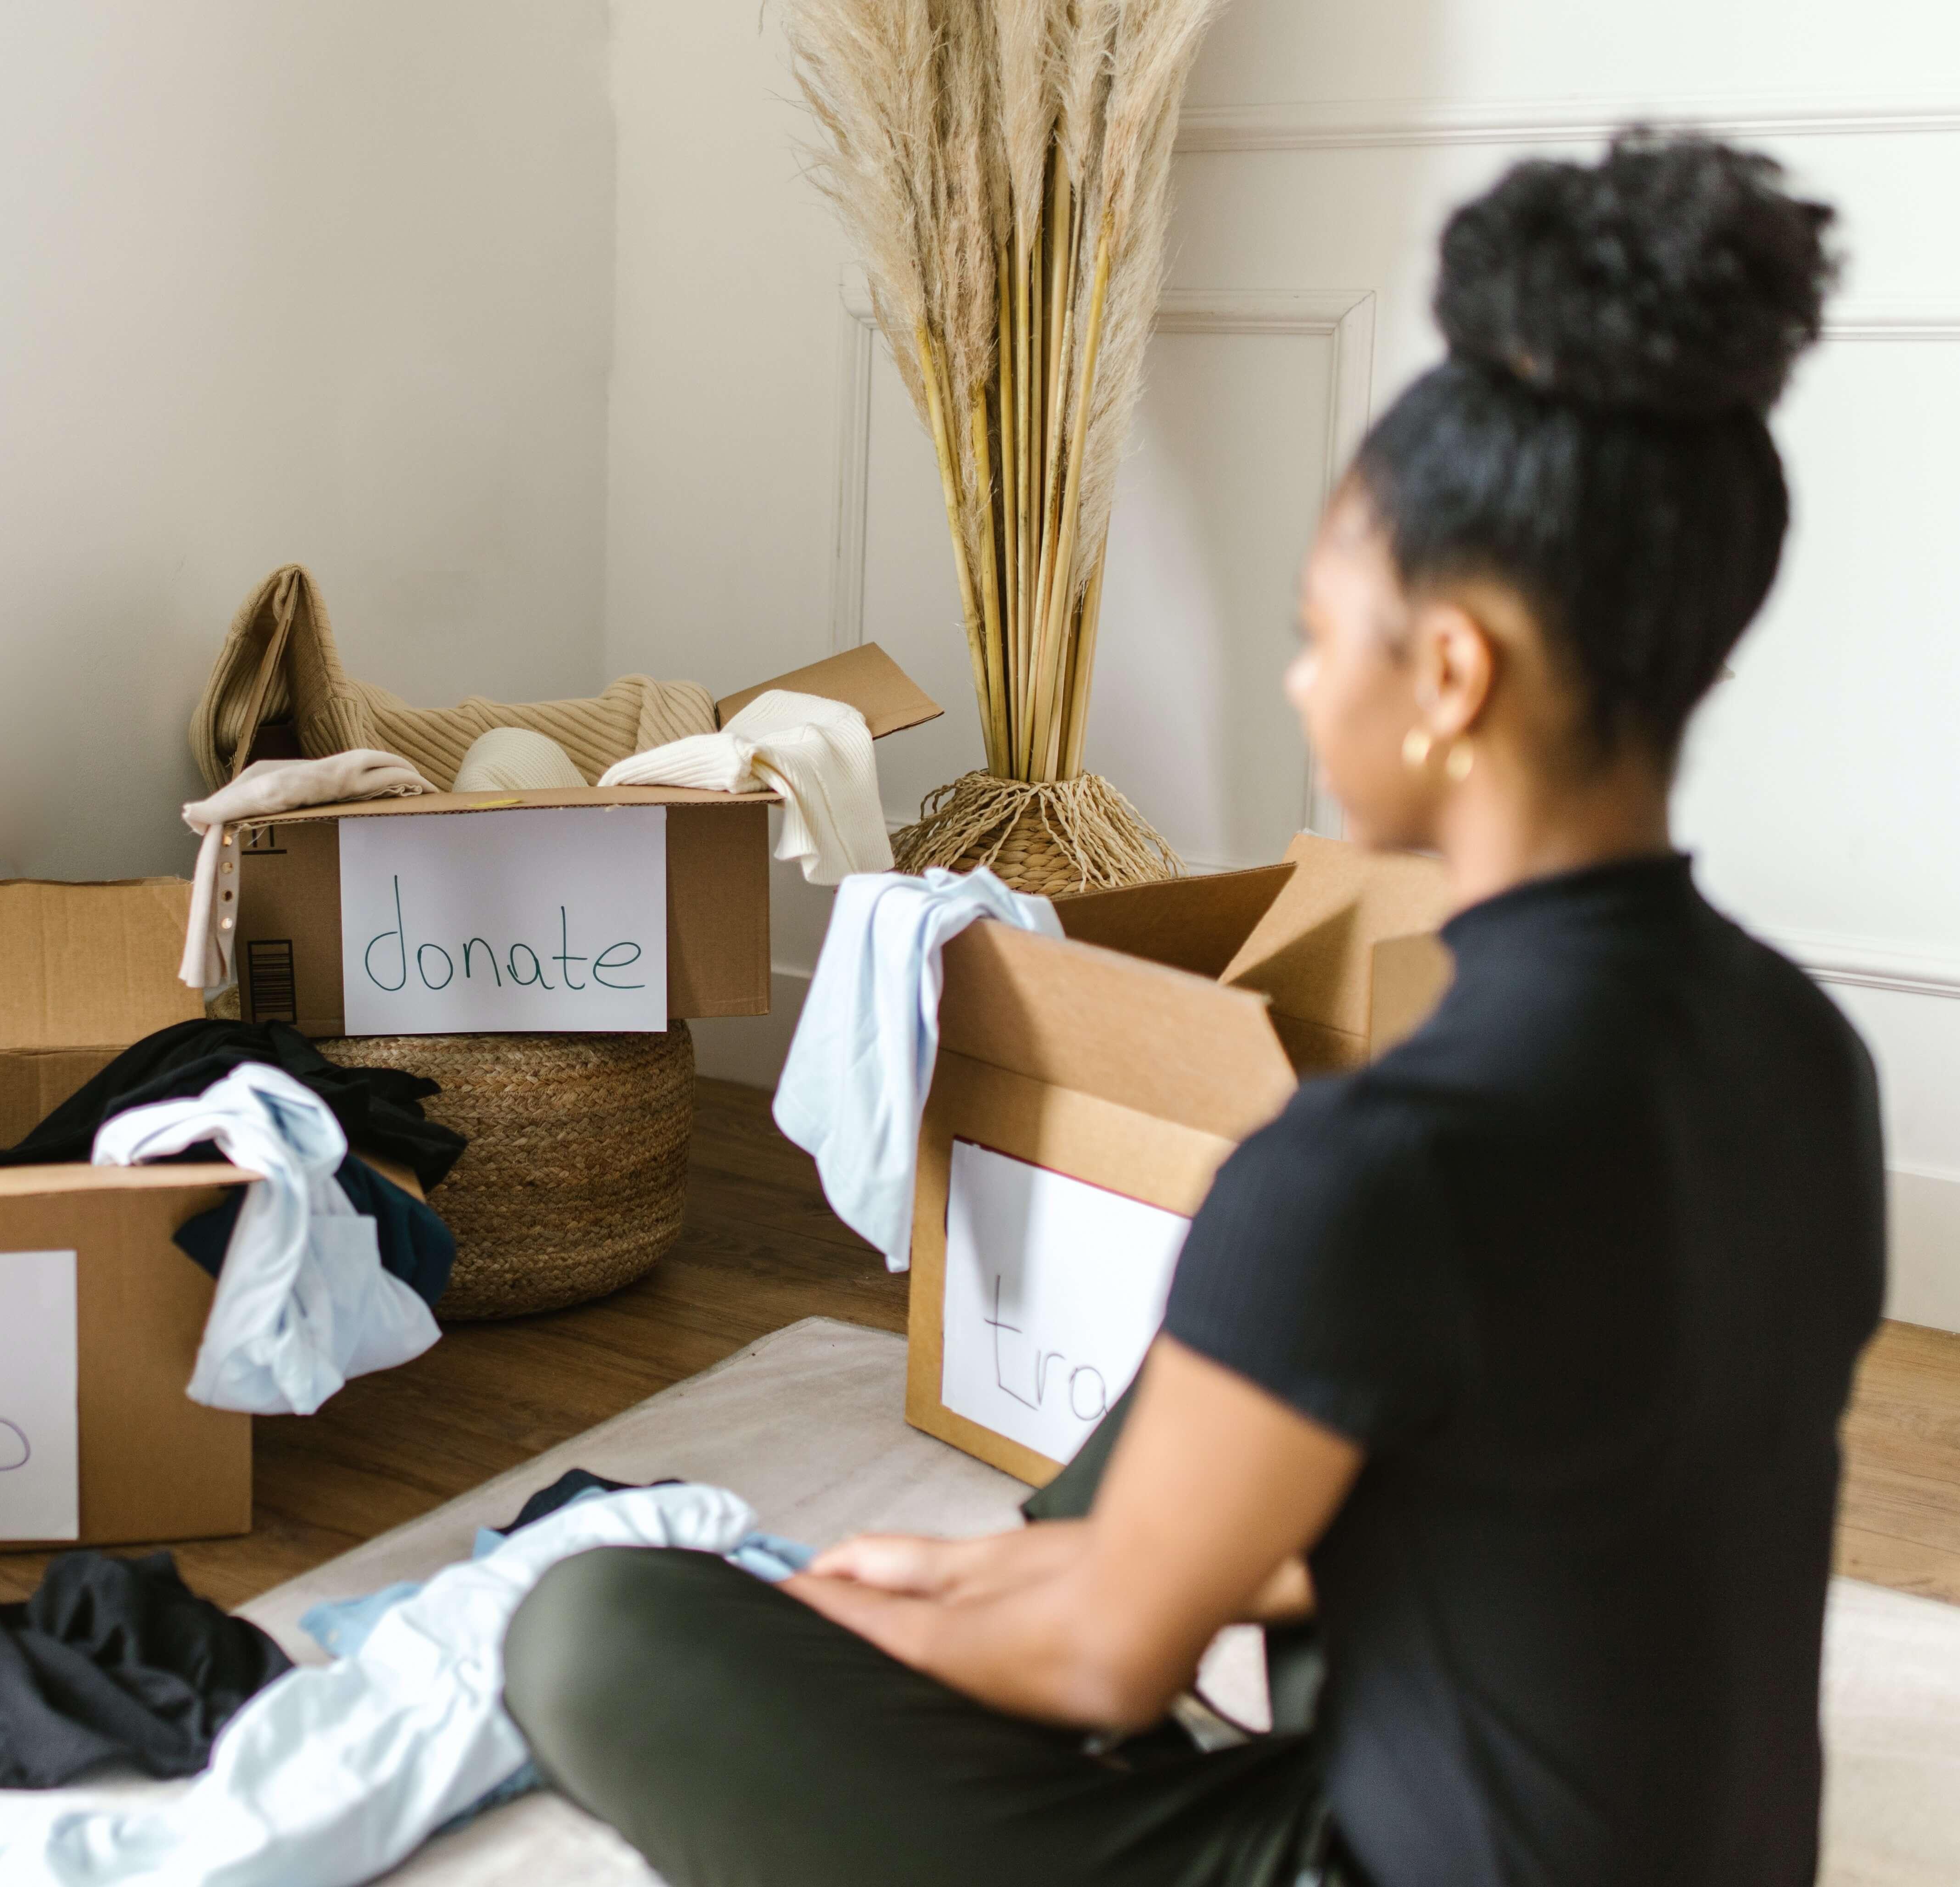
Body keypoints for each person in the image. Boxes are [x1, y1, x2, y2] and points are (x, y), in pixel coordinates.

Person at [501, 131, 1878, 1887]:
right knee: (1218, 1402)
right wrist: (1023, 1579)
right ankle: (1076, 1556)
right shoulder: (1800, 1052)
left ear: (1449, 673)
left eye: (1321, 634)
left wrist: (872, 1619)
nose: (1304, 682)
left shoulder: (1379, 1157)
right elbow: (1571, 1506)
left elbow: (1103, 1668)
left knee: (592, 1631)